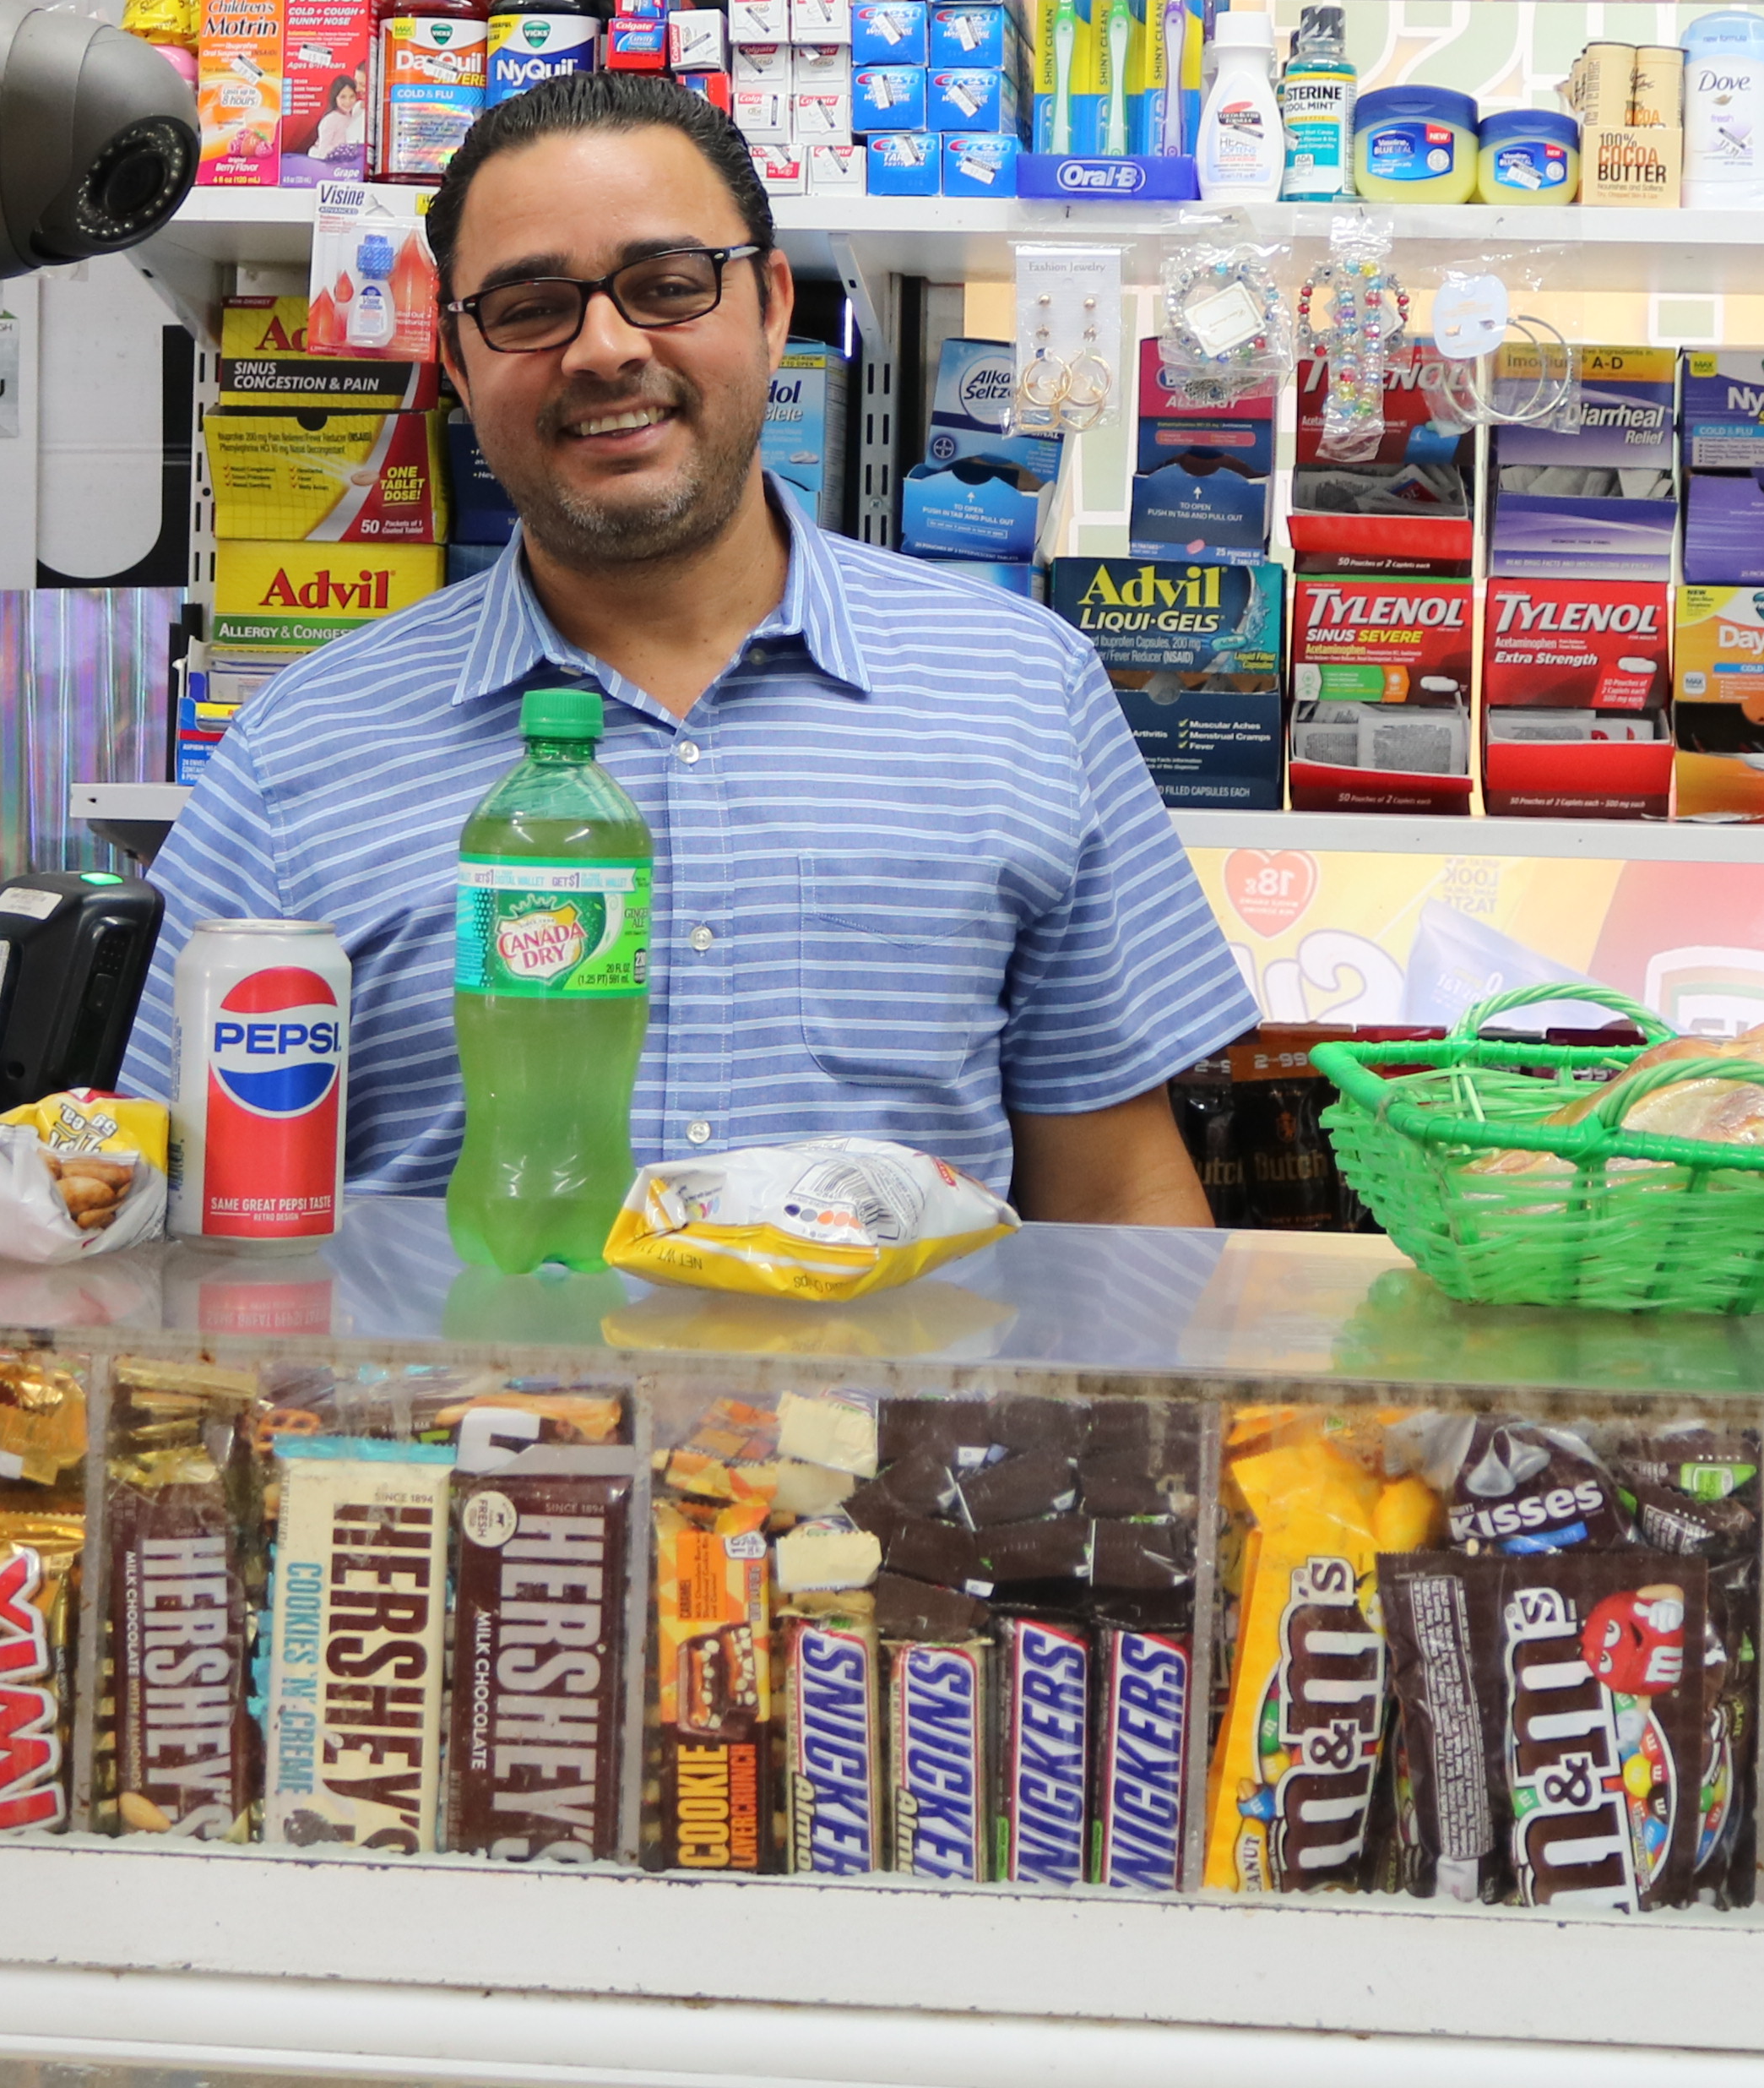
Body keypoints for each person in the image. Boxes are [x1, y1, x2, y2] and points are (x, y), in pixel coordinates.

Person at [119, 68, 1241, 1224]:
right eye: (527, 309)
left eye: (665, 286)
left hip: (898, 1407)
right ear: (455, 365)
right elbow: (157, 1186)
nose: (603, 349)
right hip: (454, 1408)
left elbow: (1117, 1193)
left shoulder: (1021, 689)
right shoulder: (298, 754)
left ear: (767, 307)